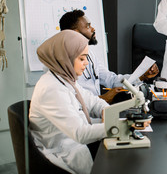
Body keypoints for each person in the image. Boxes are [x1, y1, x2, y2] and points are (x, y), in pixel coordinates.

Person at [29, 30, 109, 174]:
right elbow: (80, 133)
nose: (86, 63)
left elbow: (94, 102)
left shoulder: (65, 79)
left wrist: (107, 112)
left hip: (75, 144)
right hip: (63, 152)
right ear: (65, 58)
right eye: (82, 58)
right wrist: (117, 126)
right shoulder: (51, 88)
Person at [59, 10, 159, 103]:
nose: (93, 29)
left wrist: (141, 76)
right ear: (75, 33)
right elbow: (70, 101)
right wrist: (103, 98)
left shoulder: (90, 55)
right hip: (82, 115)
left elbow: (111, 79)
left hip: (97, 111)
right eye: (88, 26)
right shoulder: (62, 63)